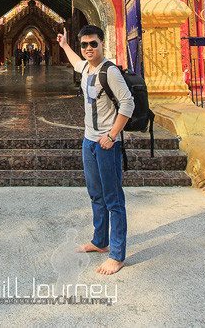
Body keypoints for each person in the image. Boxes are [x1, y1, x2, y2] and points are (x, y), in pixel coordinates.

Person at [57, 24, 133, 275]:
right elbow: (77, 63)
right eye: (84, 45)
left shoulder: (109, 71)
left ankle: (117, 254)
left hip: (106, 143)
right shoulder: (87, 68)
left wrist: (112, 136)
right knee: (95, 193)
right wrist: (65, 45)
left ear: (102, 44)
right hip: (88, 140)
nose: (88, 49)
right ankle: (100, 241)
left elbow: (127, 104)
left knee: (113, 198)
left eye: (93, 44)